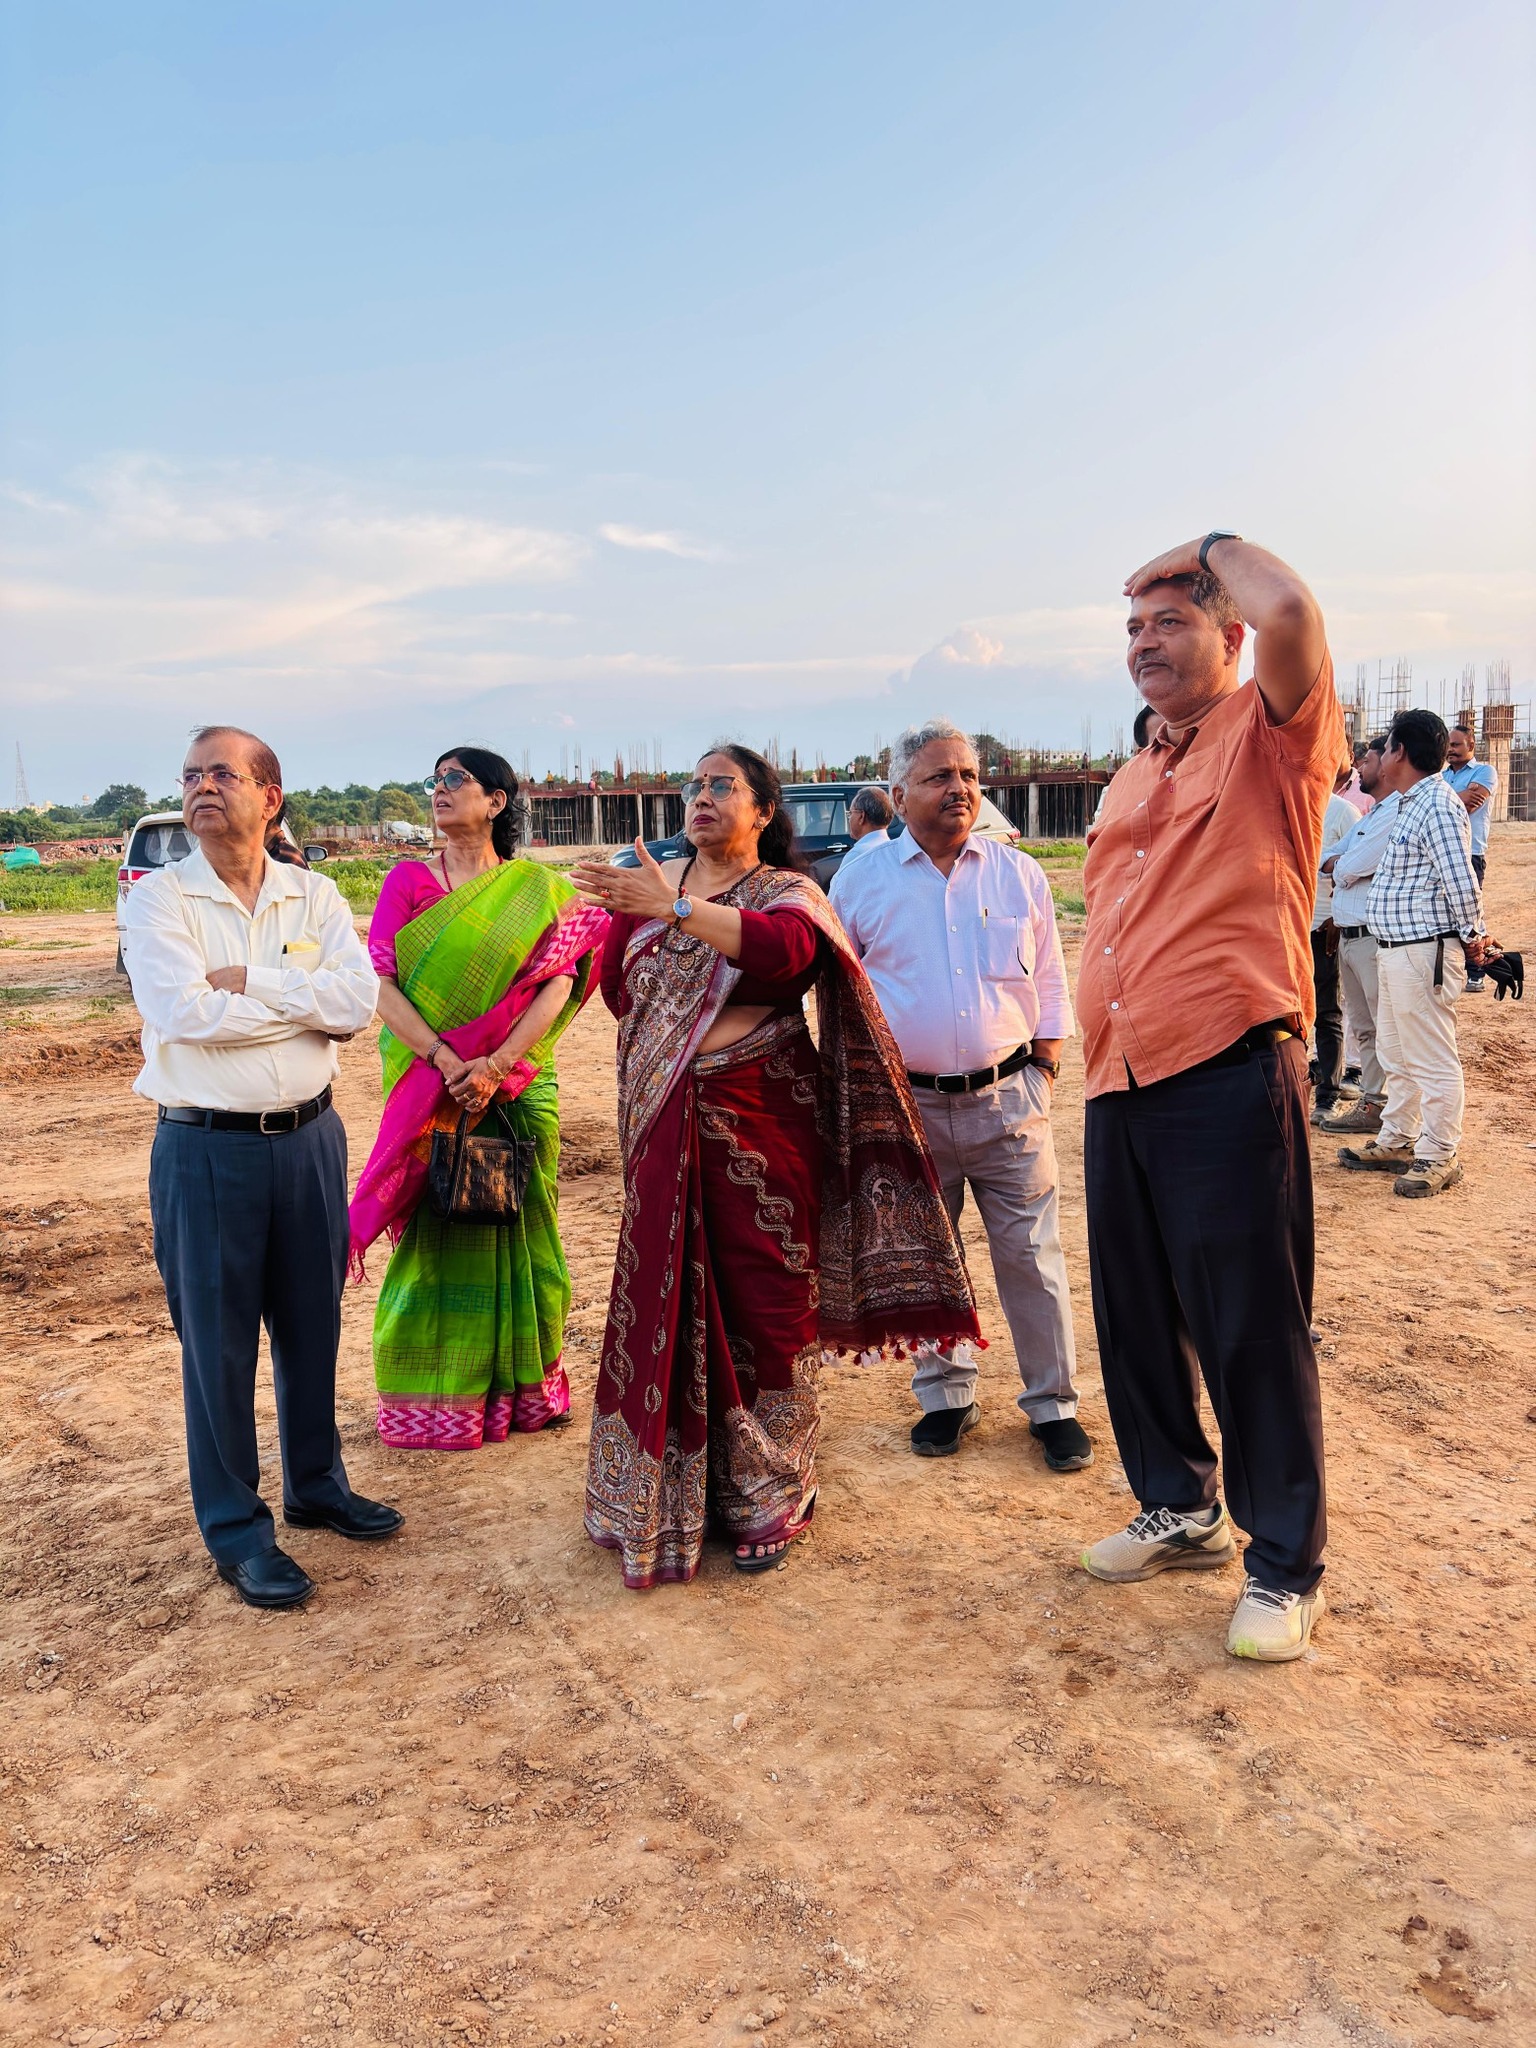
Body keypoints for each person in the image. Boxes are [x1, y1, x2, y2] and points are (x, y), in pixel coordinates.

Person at [570, 744, 980, 1589]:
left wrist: (675, 909)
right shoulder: (651, 885)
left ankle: (772, 1486)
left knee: (766, 1300)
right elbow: (618, 989)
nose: (702, 795)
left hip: (763, 1119)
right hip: (663, 1118)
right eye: (694, 785)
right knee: (664, 1294)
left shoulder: (785, 892)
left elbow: (787, 957)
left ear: (763, 810)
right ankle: (674, 1487)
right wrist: (662, 923)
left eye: (722, 784)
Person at [1075, 534, 1345, 1664]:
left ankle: (1285, 1565)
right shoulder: (1133, 771)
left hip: (1228, 1063)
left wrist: (1208, 546)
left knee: (1250, 1328)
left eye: (1170, 620)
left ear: (1228, 633)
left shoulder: (1272, 733)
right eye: (1133, 627)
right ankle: (1178, 1504)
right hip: (1119, 1075)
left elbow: (1295, 616)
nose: (1145, 642)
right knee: (1134, 1316)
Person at [123, 725, 395, 1611]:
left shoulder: (315, 893)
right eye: (191, 776)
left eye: (223, 774)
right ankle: (238, 1531)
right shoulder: (161, 900)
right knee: (220, 1344)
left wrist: (251, 981)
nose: (203, 788)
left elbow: (357, 1003)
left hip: (311, 1141)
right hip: (207, 1149)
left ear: (270, 797)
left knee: (313, 1325)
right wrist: (301, 1003)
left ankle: (317, 1485)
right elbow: (182, 1012)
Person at [830, 718, 1087, 1471]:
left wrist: (1045, 1067)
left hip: (1010, 1099)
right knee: (929, 1256)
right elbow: (839, 993)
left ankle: (1054, 1406)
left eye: (969, 775)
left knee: (1032, 1257)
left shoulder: (1018, 874)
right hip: (907, 1105)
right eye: (940, 776)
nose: (961, 788)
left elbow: (1050, 979)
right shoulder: (861, 880)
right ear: (899, 791)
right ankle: (945, 1396)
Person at [349, 748, 607, 1449]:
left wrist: (496, 1063)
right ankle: (439, 1400)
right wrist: (445, 1058)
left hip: (516, 1085)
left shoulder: (536, 887)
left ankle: (529, 1393)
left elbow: (560, 980)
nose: (439, 790)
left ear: (496, 801)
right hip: (432, 1087)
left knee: (525, 1225)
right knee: (439, 1230)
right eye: (433, 780)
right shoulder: (407, 881)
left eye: (454, 779)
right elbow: (380, 984)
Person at [1336, 710, 1487, 1198]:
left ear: (1400, 752)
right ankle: (1398, 1138)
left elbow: (1460, 881)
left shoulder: (1437, 805)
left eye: (1384, 747)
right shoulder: (1409, 803)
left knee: (1431, 1057)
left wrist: (1476, 937)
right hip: (1396, 949)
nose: (1376, 756)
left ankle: (1440, 1153)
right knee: (1396, 1053)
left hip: (1423, 951)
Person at [1316, 735, 1400, 1137]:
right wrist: (1341, 863)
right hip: (1349, 935)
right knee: (1365, 1028)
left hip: (1369, 936)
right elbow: (1322, 860)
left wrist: (1341, 864)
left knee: (1385, 1028)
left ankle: (1394, 1115)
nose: (1360, 768)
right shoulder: (1372, 816)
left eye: (1368, 760)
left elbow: (1349, 866)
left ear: (1389, 763)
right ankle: (1373, 1103)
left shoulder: (1386, 813)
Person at [1308, 762, 1364, 1124]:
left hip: (1322, 928)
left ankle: (1327, 1095)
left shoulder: (1344, 812)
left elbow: (1358, 870)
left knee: (1327, 1011)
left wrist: (1337, 917)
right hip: (1284, 927)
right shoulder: (1280, 806)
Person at [1442, 724, 1496, 991]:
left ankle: (1477, 971)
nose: (1450, 750)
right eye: (1448, 745)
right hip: (1443, 851)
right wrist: (1457, 797)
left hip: (1470, 853)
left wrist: (1442, 800)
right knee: (1445, 913)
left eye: (1456, 745)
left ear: (1471, 745)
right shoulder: (1441, 775)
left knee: (1470, 911)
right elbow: (1459, 802)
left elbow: (1470, 803)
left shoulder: (1484, 772)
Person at [841, 784, 894, 864]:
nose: (849, 819)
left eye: (850, 813)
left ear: (861, 817)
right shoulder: (895, 852)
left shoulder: (857, 855)